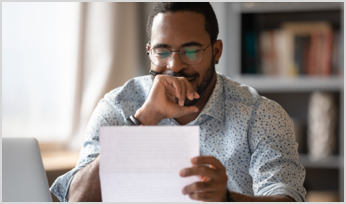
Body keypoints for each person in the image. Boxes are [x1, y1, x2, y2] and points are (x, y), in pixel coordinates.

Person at [50, 2, 306, 202]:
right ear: (149, 51)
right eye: (162, 52)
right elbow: (77, 199)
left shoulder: (260, 114)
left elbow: (286, 197)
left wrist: (227, 199)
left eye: (191, 51)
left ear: (216, 51)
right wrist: (143, 120)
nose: (174, 66)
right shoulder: (118, 106)